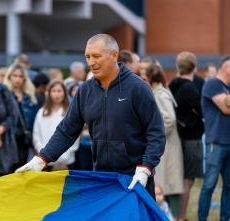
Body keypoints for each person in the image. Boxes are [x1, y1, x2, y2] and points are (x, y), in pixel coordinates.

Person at [16, 34, 166, 200]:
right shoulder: (85, 91)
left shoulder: (138, 88)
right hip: (102, 177)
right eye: (87, 57)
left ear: (114, 55)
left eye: (96, 56)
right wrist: (41, 159)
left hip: (135, 177)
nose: (91, 62)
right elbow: (67, 131)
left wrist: (145, 168)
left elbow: (156, 133)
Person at [196, 55, 230, 221]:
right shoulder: (212, 84)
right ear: (226, 68)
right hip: (217, 141)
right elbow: (226, 108)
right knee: (209, 184)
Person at [169, 52, 205, 221]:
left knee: (179, 177)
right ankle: (181, 217)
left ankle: (176, 215)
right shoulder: (189, 88)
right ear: (194, 67)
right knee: (188, 179)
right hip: (191, 138)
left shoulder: (173, 85)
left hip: (179, 136)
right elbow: (203, 110)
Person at [146, 64, 184, 221]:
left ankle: (175, 219)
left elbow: (169, 119)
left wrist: (156, 135)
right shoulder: (158, 92)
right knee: (165, 182)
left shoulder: (160, 94)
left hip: (166, 144)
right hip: (165, 144)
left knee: (170, 183)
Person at [32, 80, 79, 170]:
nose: (56, 94)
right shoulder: (42, 112)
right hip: (45, 160)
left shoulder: (71, 111)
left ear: (64, 93)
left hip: (67, 160)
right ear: (49, 93)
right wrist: (41, 150)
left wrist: (67, 152)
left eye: (59, 91)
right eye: (53, 91)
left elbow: (76, 132)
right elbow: (36, 134)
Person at [4, 63, 41, 170]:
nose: (17, 79)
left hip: (26, 139)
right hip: (9, 138)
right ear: (9, 77)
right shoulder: (4, 95)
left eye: (21, 76)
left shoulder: (30, 97)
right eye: (15, 75)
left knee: (23, 169)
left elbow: (35, 120)